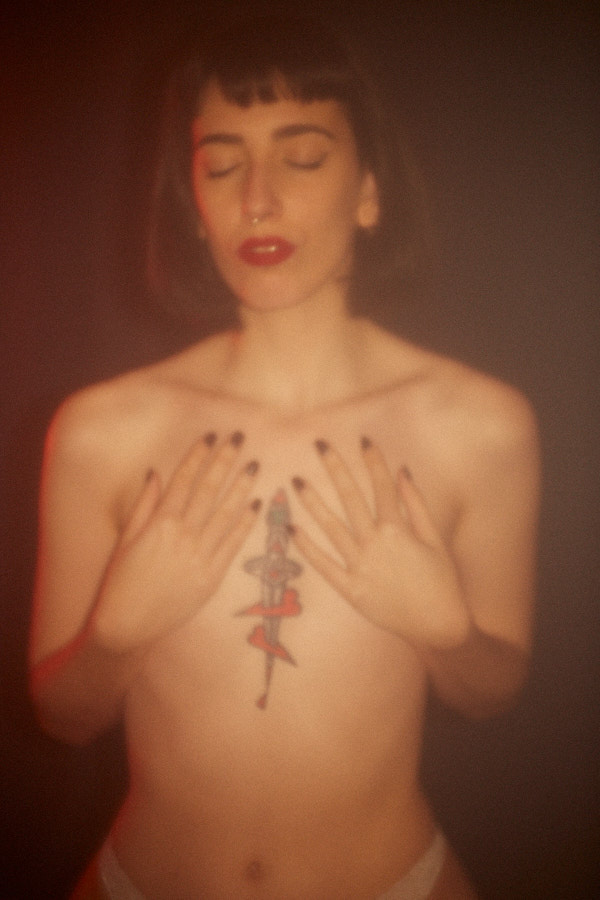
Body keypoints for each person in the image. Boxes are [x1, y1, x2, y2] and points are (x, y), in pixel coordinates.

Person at [29, 14, 540, 899]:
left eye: (302, 158)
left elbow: (493, 693)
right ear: (192, 206)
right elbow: (60, 716)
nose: (257, 200)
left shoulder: (480, 426)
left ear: (369, 192)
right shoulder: (100, 431)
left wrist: (444, 632)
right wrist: (115, 637)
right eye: (222, 165)